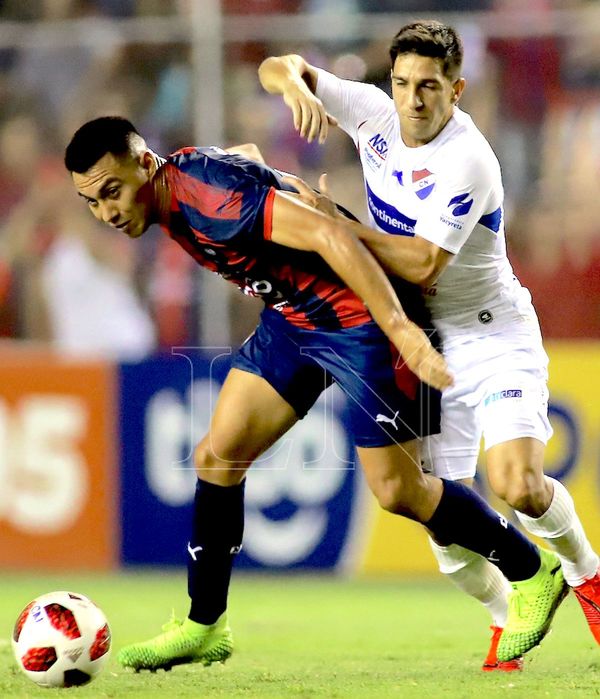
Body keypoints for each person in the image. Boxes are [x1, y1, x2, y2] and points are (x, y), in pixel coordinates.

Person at [65, 116, 566, 672]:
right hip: (295, 319)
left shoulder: (210, 199)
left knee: (398, 491)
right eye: (92, 202)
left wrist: (399, 327)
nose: (107, 212)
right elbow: (247, 150)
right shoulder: (180, 186)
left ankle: (532, 570)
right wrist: (273, 178)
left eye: (112, 192)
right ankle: (203, 625)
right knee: (217, 455)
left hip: (362, 322)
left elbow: (330, 235)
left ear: (143, 163)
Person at [259, 19, 600, 672]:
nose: (413, 100)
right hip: (421, 341)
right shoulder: (374, 115)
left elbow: (421, 265)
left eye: (430, 87)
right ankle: (507, 616)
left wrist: (338, 227)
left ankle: (586, 576)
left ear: (457, 90)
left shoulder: (469, 159)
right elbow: (278, 64)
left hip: (490, 333)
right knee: (448, 532)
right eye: (403, 83)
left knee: (518, 485)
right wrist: (293, 85)